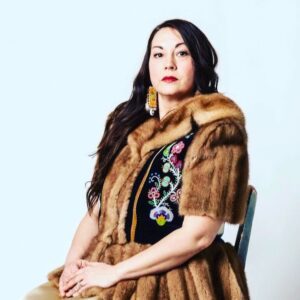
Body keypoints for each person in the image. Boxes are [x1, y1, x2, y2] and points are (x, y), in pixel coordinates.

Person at [24, 18, 250, 299]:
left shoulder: (217, 132)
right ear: (149, 66)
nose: (169, 63)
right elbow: (98, 211)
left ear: (199, 64)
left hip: (176, 276)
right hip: (111, 264)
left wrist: (115, 273)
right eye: (158, 54)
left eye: (181, 53)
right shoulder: (130, 126)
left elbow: (198, 236)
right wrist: (73, 263)